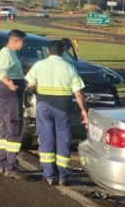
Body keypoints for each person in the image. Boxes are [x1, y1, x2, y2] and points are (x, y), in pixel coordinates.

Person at [25, 40, 87, 185]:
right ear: (62, 52)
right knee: (63, 140)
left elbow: (30, 84)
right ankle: (63, 176)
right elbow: (79, 93)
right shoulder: (69, 67)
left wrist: (36, 90)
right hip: (63, 107)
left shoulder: (39, 65)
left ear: (48, 51)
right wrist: (84, 110)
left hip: (44, 106)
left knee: (46, 139)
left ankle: (49, 175)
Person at [0, 29, 28, 178]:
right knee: (14, 129)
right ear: (16, 40)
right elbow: (1, 72)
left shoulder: (10, 54)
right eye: (23, 41)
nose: (24, 44)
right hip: (9, 96)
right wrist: (10, 84)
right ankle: (11, 165)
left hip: (7, 95)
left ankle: (5, 162)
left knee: (6, 129)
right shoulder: (6, 54)